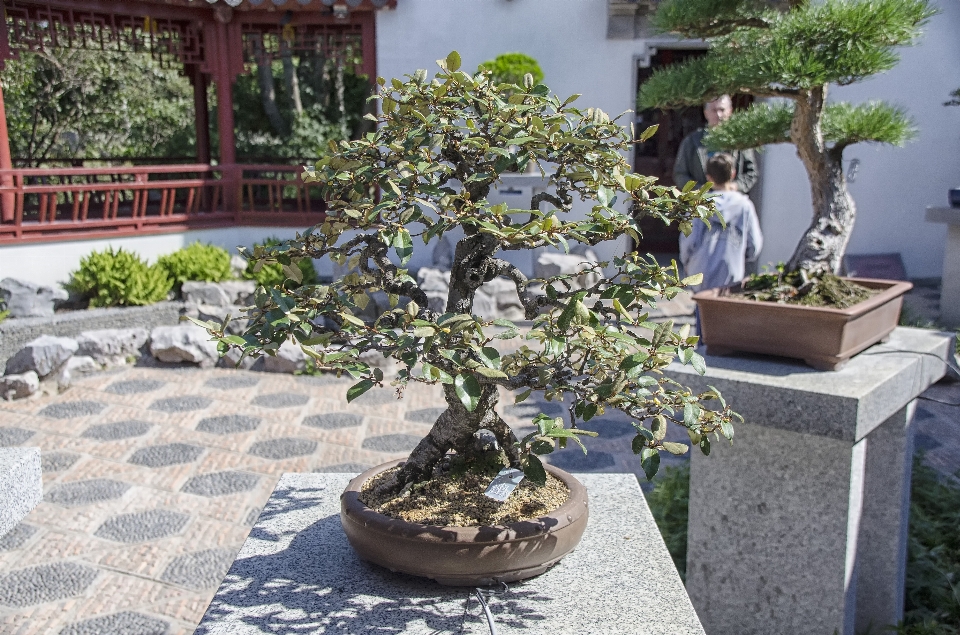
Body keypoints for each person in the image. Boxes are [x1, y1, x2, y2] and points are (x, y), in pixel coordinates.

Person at [680, 152, 763, 294]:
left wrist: (687, 262)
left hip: (701, 270)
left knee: (703, 311)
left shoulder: (699, 204)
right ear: (733, 174)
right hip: (732, 270)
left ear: (708, 178)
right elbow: (754, 244)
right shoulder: (744, 205)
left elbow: (689, 239)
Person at [673, 95, 758, 194]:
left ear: (730, 111)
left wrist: (735, 186)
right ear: (706, 113)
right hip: (700, 203)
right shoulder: (692, 141)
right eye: (714, 110)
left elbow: (751, 173)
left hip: (731, 201)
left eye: (722, 110)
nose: (718, 115)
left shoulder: (739, 141)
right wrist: (700, 190)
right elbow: (680, 174)